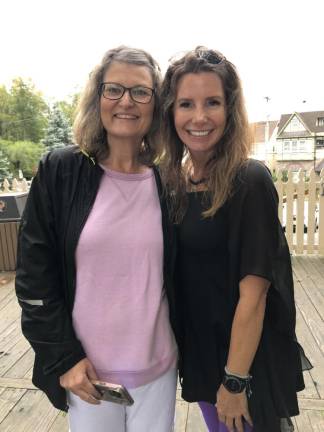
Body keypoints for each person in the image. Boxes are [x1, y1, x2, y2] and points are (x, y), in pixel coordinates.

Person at [15, 46, 178, 432]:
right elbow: (34, 278)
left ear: (155, 105)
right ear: (97, 97)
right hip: (87, 374)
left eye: (141, 91)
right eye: (114, 89)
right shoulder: (61, 171)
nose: (126, 101)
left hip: (159, 370)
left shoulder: (168, 182)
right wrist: (62, 358)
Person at [160, 46, 312, 432]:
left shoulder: (248, 181)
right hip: (203, 354)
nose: (198, 117)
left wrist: (235, 380)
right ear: (170, 112)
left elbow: (256, 293)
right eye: (185, 104)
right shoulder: (176, 183)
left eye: (212, 102)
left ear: (229, 110)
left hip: (242, 363)